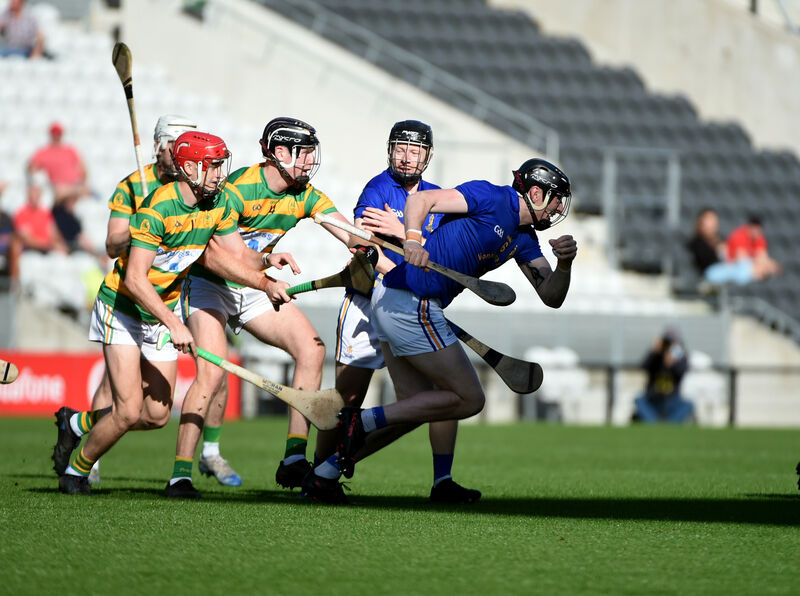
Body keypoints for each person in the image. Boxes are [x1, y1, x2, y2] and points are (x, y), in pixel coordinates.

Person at [305, 157, 577, 504]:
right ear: (536, 193)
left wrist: (564, 264)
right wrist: (413, 240)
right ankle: (361, 421)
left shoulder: (524, 240)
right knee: (470, 398)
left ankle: (324, 475)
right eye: (556, 199)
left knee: (417, 409)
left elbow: (551, 296)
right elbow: (421, 200)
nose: (558, 209)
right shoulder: (490, 196)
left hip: (398, 300)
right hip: (410, 299)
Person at [54, 131, 293, 495]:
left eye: (220, 165)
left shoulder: (217, 202)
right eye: (213, 166)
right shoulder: (158, 208)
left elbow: (238, 254)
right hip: (123, 308)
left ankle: (76, 424)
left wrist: (265, 263)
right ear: (190, 167)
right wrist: (175, 324)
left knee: (156, 416)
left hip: (160, 313)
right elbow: (135, 279)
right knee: (128, 410)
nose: (220, 173)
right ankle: (76, 472)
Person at [164, 117, 357, 498]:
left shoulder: (304, 194)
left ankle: (294, 458)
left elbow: (349, 234)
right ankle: (180, 476)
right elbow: (213, 256)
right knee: (212, 371)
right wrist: (265, 277)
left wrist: (377, 252)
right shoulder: (237, 189)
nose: (310, 162)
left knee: (312, 350)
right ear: (279, 153)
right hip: (210, 285)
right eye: (303, 154)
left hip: (255, 286)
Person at [304, 120, 479, 504]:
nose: (407, 157)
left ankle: (442, 480)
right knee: (347, 399)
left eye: (415, 150)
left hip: (410, 309)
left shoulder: (437, 198)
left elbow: (439, 254)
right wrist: (405, 275)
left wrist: (402, 231)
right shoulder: (378, 189)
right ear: (389, 150)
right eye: (400, 148)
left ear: (427, 156)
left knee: (440, 395)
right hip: (366, 304)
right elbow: (364, 246)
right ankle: (318, 475)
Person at [52, 115, 199, 485]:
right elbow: (111, 245)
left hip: (161, 305)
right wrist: (143, 228)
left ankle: (76, 422)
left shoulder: (194, 190)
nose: (181, 154)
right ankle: (86, 466)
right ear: (159, 146)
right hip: (126, 300)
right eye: (174, 146)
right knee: (123, 403)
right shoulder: (132, 186)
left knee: (157, 415)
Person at [632, 328, 694, 424]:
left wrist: (672, 362)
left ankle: (670, 424)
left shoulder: (680, 357)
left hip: (672, 399)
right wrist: (655, 351)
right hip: (654, 398)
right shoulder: (656, 356)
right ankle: (653, 423)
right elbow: (644, 367)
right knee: (639, 401)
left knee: (688, 405)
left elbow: (682, 371)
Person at [28, 122, 90, 206]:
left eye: (58, 134)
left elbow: (83, 168)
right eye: (55, 134)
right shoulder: (45, 152)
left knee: (69, 193)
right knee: (61, 191)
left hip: (73, 185)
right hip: (58, 187)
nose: (56, 136)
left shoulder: (69, 150)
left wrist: (83, 184)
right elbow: (32, 167)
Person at [13, 182, 66, 254]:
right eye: (33, 195)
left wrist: (60, 245)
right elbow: (26, 238)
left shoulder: (45, 213)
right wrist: (47, 246)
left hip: (48, 249)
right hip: (32, 251)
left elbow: (53, 233)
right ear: (28, 196)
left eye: (37, 195)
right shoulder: (21, 213)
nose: (35, 197)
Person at [725, 215, 781, 281]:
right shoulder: (739, 235)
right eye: (754, 227)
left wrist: (768, 264)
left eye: (758, 227)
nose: (756, 230)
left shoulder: (759, 238)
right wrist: (759, 262)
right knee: (754, 270)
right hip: (733, 266)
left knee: (772, 267)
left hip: (750, 265)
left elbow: (763, 256)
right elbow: (741, 259)